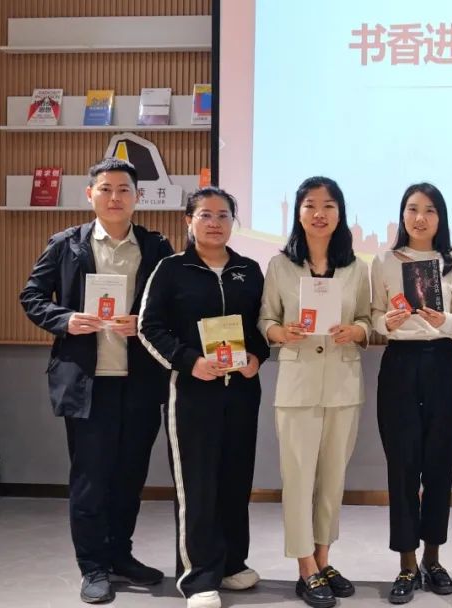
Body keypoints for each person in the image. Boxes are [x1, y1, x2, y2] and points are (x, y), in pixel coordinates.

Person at [19, 158, 173, 604]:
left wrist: (142, 323)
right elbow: (31, 296)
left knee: (129, 476)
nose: (114, 197)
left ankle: (120, 555)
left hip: (140, 381)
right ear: (90, 195)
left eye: (124, 190)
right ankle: (93, 567)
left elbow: (173, 305)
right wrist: (66, 320)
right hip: (88, 383)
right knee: (91, 479)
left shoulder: (156, 247)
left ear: (138, 197)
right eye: (105, 189)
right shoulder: (66, 244)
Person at [138, 187, 270, 608]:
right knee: (197, 485)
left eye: (223, 215)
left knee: (235, 479)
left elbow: (262, 325)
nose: (215, 223)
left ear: (234, 222)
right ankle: (197, 577)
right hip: (192, 393)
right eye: (205, 215)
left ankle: (230, 564)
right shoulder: (171, 269)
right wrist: (189, 361)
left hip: (242, 393)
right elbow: (148, 327)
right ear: (189, 221)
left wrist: (257, 357)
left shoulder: (249, 269)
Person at [259, 177, 370, 608]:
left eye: (328, 205)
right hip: (298, 385)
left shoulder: (356, 267)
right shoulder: (280, 265)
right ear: (298, 212)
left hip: (343, 384)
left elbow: (367, 319)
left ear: (340, 213)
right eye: (310, 205)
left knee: (332, 480)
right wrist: (280, 332)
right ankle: (305, 565)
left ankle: (324, 560)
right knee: (299, 479)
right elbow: (265, 319)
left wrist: (356, 330)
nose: (319, 213)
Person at [370, 182, 452, 604]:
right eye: (412, 209)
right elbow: (373, 315)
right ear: (402, 215)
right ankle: (407, 563)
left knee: (440, 465)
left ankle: (433, 557)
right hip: (399, 364)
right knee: (403, 467)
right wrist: (386, 323)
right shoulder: (384, 261)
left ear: (440, 218)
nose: (420, 217)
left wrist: (446, 321)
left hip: (443, 363)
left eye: (429, 210)